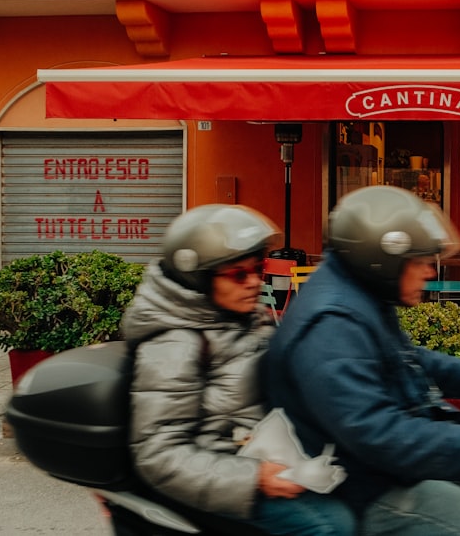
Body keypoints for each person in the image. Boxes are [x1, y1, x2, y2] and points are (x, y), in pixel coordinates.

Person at [267, 186, 460, 536]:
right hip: (369, 487)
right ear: (384, 260)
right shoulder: (331, 326)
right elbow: (376, 433)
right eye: (419, 262)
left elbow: (403, 357)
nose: (429, 272)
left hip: (387, 468)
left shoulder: (360, 297)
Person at [121, 204, 355, 536]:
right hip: (223, 475)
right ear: (198, 277)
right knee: (331, 526)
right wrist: (254, 478)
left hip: (272, 455)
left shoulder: (242, 318)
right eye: (237, 274)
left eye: (258, 269)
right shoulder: (175, 344)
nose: (254, 282)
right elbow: (159, 452)